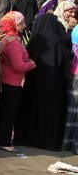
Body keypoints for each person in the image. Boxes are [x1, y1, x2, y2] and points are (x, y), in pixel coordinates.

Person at [14, 12, 72, 151]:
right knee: (49, 113)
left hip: (33, 85)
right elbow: (66, 60)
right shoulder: (59, 44)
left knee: (31, 109)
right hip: (54, 87)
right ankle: (47, 141)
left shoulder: (34, 42)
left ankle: (27, 137)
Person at [0, 12, 35, 153]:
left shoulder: (5, 38)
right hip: (13, 83)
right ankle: (4, 141)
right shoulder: (13, 42)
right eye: (21, 23)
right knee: (8, 114)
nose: (24, 26)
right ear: (13, 24)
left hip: (3, 80)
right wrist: (31, 63)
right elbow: (18, 66)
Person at [64, 14, 78, 154]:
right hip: (76, 73)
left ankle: (68, 143)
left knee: (72, 110)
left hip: (72, 71)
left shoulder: (75, 29)